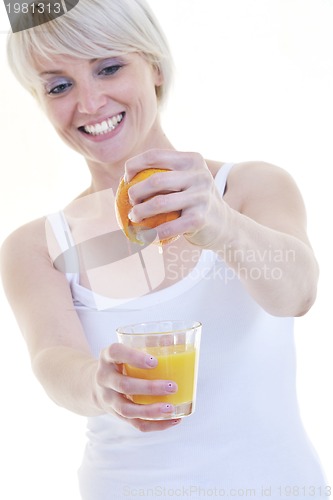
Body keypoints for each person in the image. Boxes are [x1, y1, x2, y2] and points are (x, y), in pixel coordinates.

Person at [1, 0, 328, 498]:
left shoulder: (248, 188)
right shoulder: (37, 245)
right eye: (59, 85)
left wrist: (220, 225)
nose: (88, 104)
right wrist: (98, 384)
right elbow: (52, 360)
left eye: (108, 67)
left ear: (153, 65)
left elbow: (298, 294)